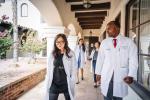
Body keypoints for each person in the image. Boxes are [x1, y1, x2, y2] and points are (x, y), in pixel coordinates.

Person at [95, 21, 138, 100]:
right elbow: (100, 59)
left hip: (121, 76)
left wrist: (131, 75)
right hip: (107, 75)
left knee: (118, 97)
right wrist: (98, 73)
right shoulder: (104, 43)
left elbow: (133, 60)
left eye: (109, 28)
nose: (107, 31)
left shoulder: (128, 42)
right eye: (106, 29)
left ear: (117, 28)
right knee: (106, 96)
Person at [45, 34, 76, 100]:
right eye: (57, 42)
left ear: (65, 42)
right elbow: (49, 69)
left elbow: (73, 69)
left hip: (66, 83)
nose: (60, 44)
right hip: (54, 83)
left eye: (62, 41)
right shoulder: (52, 54)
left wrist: (72, 80)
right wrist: (47, 79)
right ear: (55, 43)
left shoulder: (71, 54)